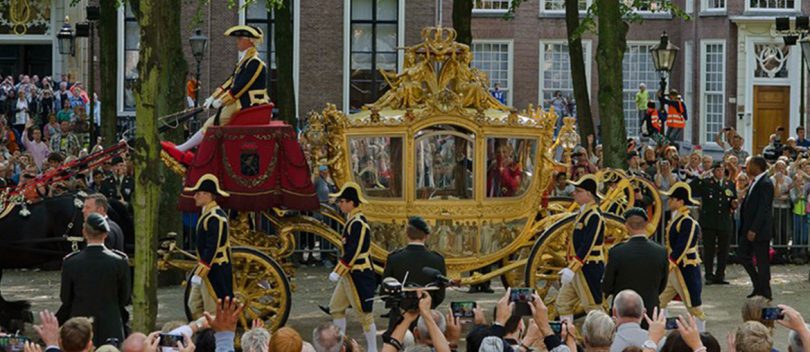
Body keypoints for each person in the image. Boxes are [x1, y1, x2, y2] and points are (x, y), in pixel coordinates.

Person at [163, 25, 270, 162]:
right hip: (241, 103)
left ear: (249, 40)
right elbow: (230, 81)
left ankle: (185, 149)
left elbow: (241, 87)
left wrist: (222, 101)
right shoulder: (245, 62)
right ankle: (189, 149)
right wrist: (213, 97)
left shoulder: (256, 63)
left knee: (212, 123)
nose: (237, 41)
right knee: (213, 121)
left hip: (247, 105)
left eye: (240, 38)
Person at [56, 213, 131, 347]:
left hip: (79, 326)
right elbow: (124, 298)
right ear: (106, 234)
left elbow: (65, 298)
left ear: (84, 232)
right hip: (110, 323)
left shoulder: (71, 262)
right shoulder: (119, 261)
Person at [327, 182, 378, 352]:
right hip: (349, 274)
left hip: (358, 273)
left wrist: (338, 270)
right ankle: (340, 345)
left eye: (342, 201)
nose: (340, 205)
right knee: (336, 308)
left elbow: (353, 251)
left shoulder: (358, 223)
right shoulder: (352, 220)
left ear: (351, 202)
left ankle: (372, 348)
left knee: (365, 314)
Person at [602, 208, 668, 320]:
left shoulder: (617, 252)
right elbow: (662, 284)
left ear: (627, 225)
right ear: (646, 224)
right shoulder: (660, 251)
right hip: (650, 310)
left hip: (623, 310)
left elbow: (607, 285)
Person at [557, 174, 605, 323]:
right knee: (563, 303)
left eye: (579, 191)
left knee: (593, 308)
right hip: (577, 268)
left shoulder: (594, 216)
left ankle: (605, 339)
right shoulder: (583, 213)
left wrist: (572, 268)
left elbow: (588, 245)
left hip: (588, 268)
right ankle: (569, 337)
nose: (574, 193)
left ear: (589, 194)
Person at [659, 182, 706, 331]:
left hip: (685, 268)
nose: (669, 201)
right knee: (659, 300)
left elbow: (683, 245)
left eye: (672, 199)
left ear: (680, 201)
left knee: (693, 305)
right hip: (674, 269)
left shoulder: (687, 221)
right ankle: (661, 328)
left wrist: (671, 261)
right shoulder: (676, 219)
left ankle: (701, 333)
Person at [185, 174, 233, 318]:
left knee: (212, 311)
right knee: (193, 304)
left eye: (198, 194)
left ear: (207, 195)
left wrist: (200, 273)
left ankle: (210, 337)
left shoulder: (216, 217)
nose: (195, 197)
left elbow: (212, 248)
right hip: (206, 270)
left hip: (215, 271)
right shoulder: (208, 214)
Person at [382, 216, 447, 307]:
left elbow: (384, 291)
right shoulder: (437, 259)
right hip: (426, 314)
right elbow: (440, 295)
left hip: (400, 315)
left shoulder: (394, 258)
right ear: (426, 236)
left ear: (407, 235)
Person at [690, 161, 736, 285]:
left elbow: (733, 200)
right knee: (709, 249)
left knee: (724, 249)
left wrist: (734, 204)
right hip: (709, 221)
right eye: (717, 170)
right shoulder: (706, 183)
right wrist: (701, 176)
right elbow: (692, 188)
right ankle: (709, 275)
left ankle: (720, 275)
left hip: (724, 221)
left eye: (721, 170)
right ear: (713, 171)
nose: (720, 172)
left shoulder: (729, 184)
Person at [738, 156, 774, 299]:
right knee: (742, 255)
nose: (746, 167)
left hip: (758, 230)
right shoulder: (754, 182)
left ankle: (765, 291)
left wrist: (754, 229)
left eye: (749, 164)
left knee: (762, 261)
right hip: (748, 228)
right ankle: (758, 284)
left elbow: (763, 209)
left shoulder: (766, 183)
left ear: (757, 166)